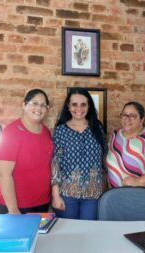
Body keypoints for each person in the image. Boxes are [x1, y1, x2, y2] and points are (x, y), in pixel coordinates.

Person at [51, 88, 106, 220]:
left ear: (89, 106)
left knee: (88, 233)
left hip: (93, 195)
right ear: (68, 107)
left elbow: (104, 160)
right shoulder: (60, 131)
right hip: (67, 194)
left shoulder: (97, 128)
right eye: (74, 104)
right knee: (68, 234)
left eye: (83, 104)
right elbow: (55, 164)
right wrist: (55, 195)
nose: (79, 108)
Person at [0, 89, 53, 214]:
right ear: (24, 105)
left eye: (43, 105)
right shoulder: (11, 133)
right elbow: (5, 175)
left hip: (41, 203)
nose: (39, 108)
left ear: (47, 109)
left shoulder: (46, 132)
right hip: (17, 206)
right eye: (34, 103)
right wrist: (13, 209)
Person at [106, 101, 145, 196]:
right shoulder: (116, 135)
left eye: (132, 116)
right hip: (116, 197)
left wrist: (137, 182)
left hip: (140, 197)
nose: (127, 119)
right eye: (124, 115)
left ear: (141, 119)